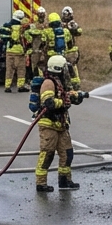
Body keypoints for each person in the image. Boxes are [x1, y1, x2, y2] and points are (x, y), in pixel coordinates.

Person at [35, 55, 85, 192]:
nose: (66, 71)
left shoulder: (61, 83)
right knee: (48, 154)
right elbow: (48, 102)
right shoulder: (48, 83)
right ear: (58, 69)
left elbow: (67, 95)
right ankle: (41, 183)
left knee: (67, 153)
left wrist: (77, 97)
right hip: (48, 124)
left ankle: (65, 180)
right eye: (64, 68)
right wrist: (64, 101)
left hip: (61, 124)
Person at [0, 9, 28, 92]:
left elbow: (3, 37)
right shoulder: (23, 28)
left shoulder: (7, 26)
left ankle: (7, 87)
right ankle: (21, 86)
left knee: (9, 70)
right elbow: (28, 38)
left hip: (10, 51)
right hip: (20, 52)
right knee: (21, 69)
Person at [25, 7, 52, 82]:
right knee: (35, 65)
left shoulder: (47, 24)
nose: (41, 16)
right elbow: (27, 33)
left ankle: (45, 78)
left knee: (45, 64)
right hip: (36, 49)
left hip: (44, 49)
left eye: (42, 14)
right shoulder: (34, 25)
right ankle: (36, 79)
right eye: (40, 14)